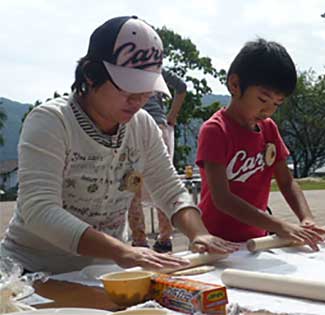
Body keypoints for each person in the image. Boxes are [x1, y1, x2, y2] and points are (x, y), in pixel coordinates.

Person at [0, 16, 238, 274]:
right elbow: (40, 210)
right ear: (91, 75)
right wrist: (122, 251)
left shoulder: (142, 126)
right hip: (29, 269)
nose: (138, 100)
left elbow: (170, 190)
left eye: (146, 90)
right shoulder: (51, 122)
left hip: (102, 271)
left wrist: (199, 234)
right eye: (128, 88)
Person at [195, 39, 325, 251]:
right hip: (218, 244)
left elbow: (287, 182)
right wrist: (280, 225)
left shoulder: (269, 129)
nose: (269, 111)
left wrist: (306, 218)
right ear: (234, 85)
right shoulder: (215, 130)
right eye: (263, 100)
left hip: (257, 240)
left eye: (277, 104)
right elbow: (222, 198)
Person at [128, 69, 186, 252]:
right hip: (160, 127)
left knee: (133, 188)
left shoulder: (124, 69)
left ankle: (139, 240)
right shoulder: (157, 70)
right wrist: (172, 116)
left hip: (134, 128)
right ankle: (165, 237)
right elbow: (181, 88)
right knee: (162, 184)